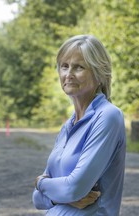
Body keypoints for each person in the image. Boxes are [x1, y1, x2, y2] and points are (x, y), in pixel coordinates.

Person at [32, 35, 126, 215]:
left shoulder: (108, 116)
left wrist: (40, 183)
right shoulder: (68, 125)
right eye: (64, 66)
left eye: (79, 67)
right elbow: (37, 199)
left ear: (99, 74)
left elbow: (74, 188)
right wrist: (57, 195)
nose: (68, 74)